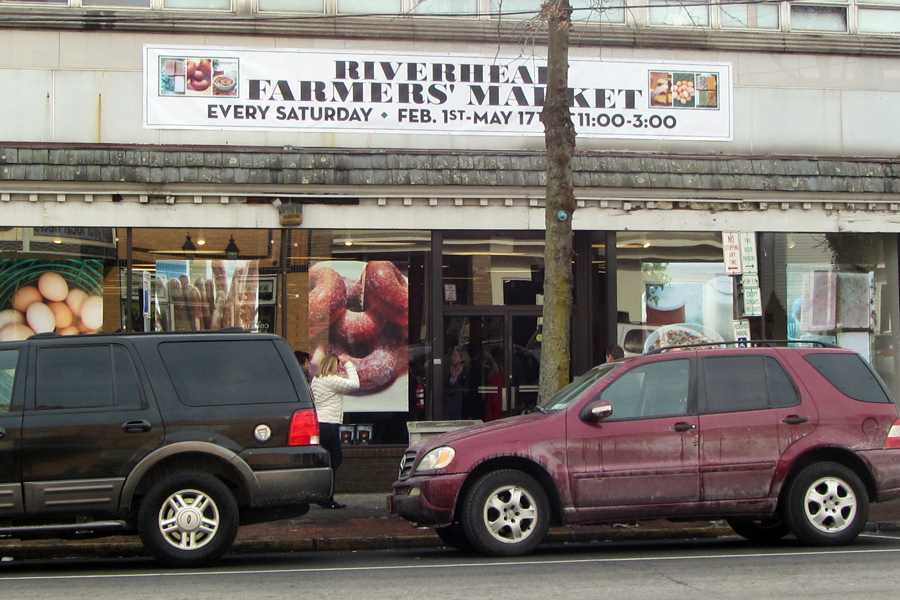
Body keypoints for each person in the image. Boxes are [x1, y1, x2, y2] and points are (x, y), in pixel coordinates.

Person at [309, 353, 359, 509]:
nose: (339, 368)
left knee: (325, 460)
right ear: (332, 365)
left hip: (320, 423)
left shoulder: (317, 379)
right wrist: (349, 364)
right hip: (329, 424)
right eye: (337, 365)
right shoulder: (331, 380)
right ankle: (326, 497)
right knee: (335, 459)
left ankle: (320, 494)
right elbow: (355, 384)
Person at [444, 347, 470, 420]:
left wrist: (455, 383)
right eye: (452, 355)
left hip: (462, 407)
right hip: (449, 406)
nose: (453, 357)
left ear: (462, 358)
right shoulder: (450, 370)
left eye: (455, 355)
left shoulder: (466, 371)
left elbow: (468, 391)